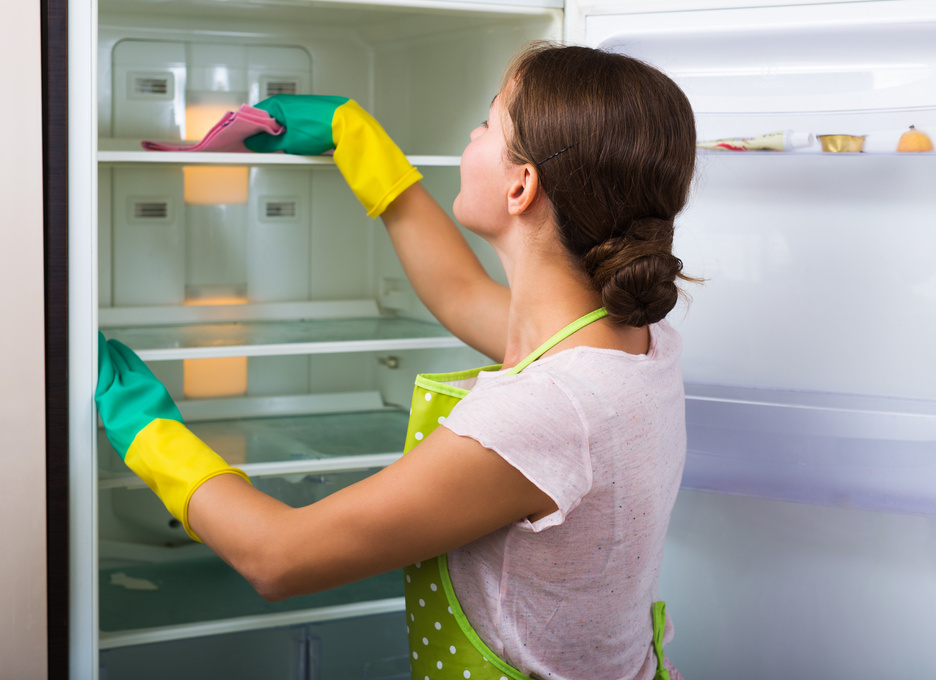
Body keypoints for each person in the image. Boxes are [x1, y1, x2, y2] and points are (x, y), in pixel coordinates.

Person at [96, 42, 697, 680]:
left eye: (489, 122)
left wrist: (147, 431)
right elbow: (459, 293)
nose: (472, 132)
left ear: (520, 185)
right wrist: (359, 145)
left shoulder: (545, 414)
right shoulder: (628, 343)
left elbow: (277, 557)